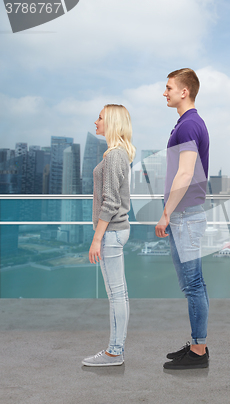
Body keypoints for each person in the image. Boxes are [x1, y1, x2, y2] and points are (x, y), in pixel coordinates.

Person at [155, 68, 210, 370]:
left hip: (185, 215)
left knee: (193, 285)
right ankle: (197, 343)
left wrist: (166, 213)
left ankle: (199, 351)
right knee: (192, 284)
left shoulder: (189, 125)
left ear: (184, 91)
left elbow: (186, 173)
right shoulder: (187, 123)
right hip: (185, 215)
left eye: (169, 88)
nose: (165, 93)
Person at [82, 104, 136, 366]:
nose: (96, 122)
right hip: (115, 232)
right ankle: (117, 349)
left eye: (100, 117)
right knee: (120, 294)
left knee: (116, 295)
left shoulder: (115, 156)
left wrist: (96, 239)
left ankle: (115, 352)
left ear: (112, 122)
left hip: (111, 233)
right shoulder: (116, 154)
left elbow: (111, 202)